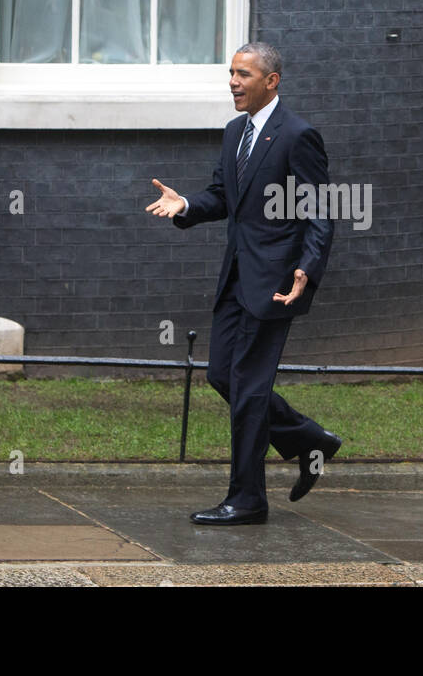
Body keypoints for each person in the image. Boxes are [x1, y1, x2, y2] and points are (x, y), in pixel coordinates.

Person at [147, 42, 341, 525]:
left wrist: (307, 268)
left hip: (276, 281)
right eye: (231, 72)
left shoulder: (298, 136)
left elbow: (320, 209)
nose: (233, 81)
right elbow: (222, 196)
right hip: (235, 278)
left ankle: (248, 497)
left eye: (244, 74)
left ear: (271, 81)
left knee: (251, 389)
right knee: (221, 376)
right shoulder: (235, 132)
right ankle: (307, 438)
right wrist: (187, 205)